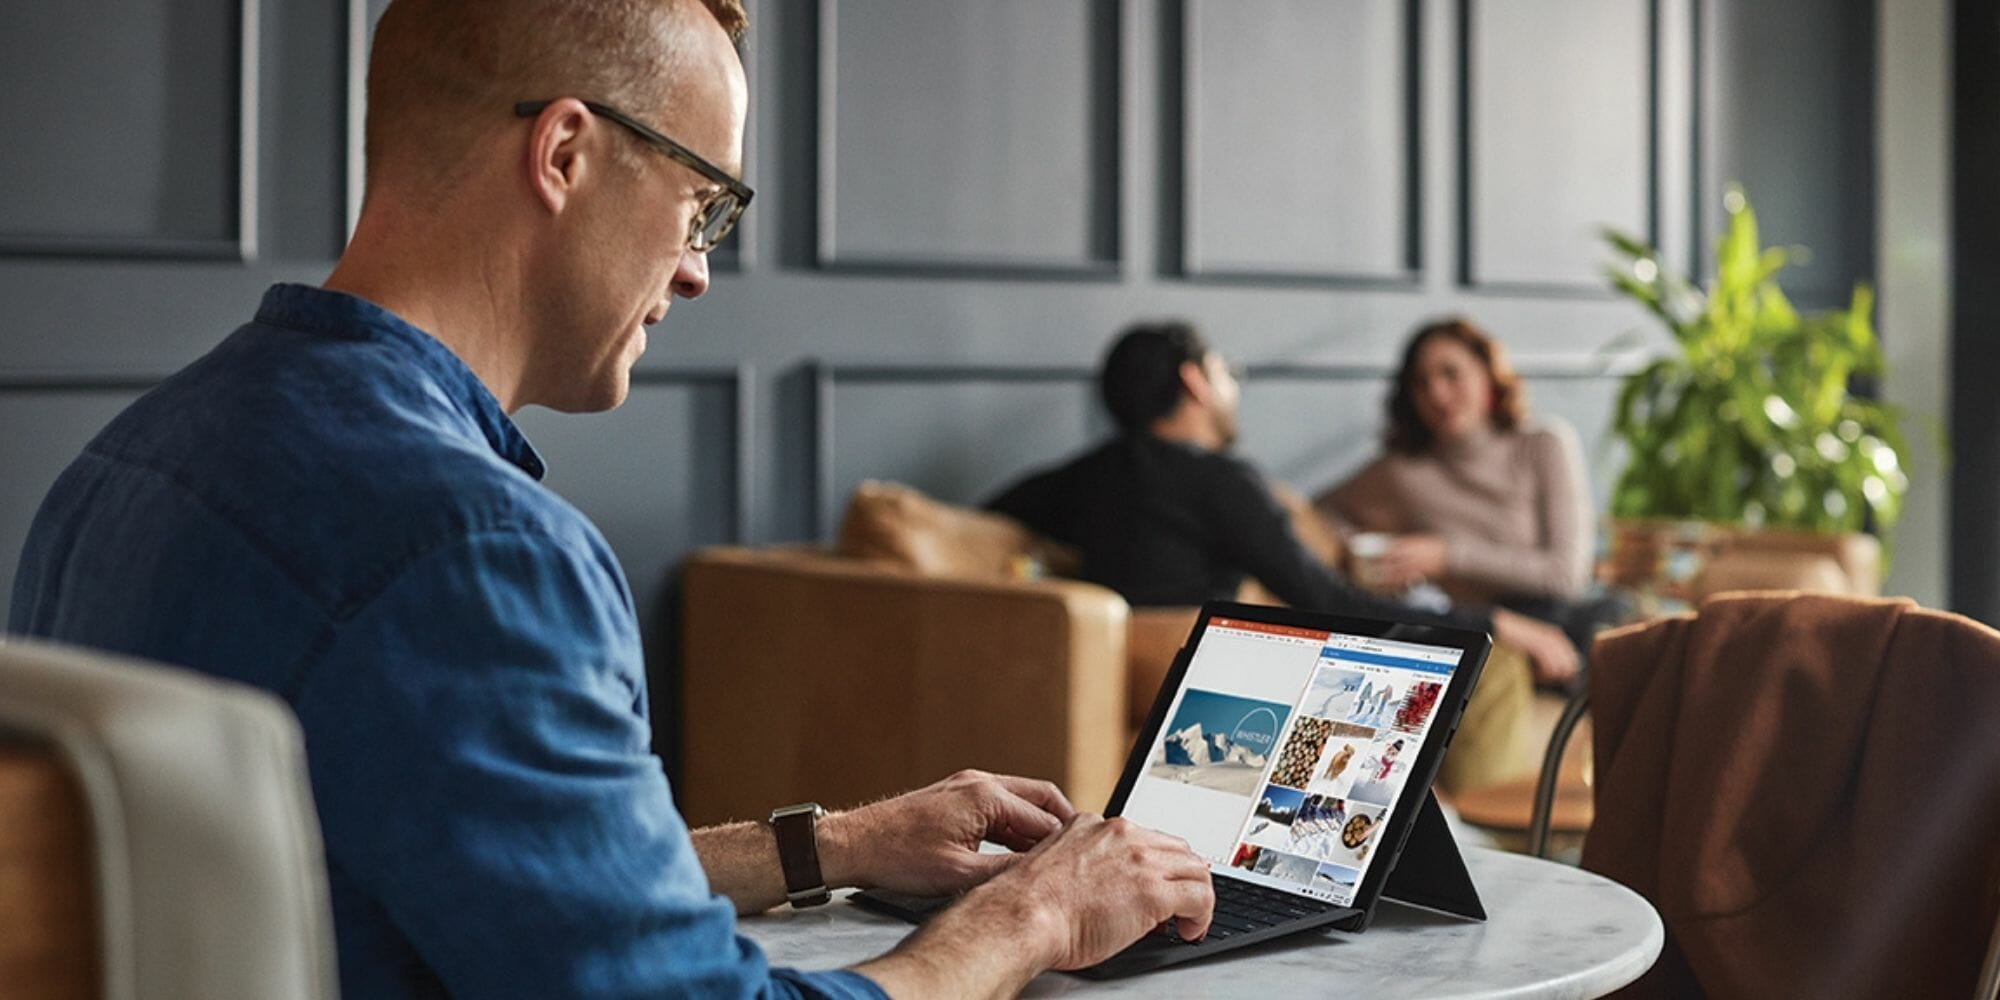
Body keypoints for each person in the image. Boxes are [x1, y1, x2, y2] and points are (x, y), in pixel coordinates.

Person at [6, 2, 1214, 997]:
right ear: (566, 153)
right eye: (703, 204)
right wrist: (1030, 917)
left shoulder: (132, 458)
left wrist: (828, 845)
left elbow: (446, 864)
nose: (695, 269)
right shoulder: (471, 552)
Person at [986, 321, 1580, 685]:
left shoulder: (1081, 478)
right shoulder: (1223, 482)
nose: (1231, 389)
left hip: (1091, 672)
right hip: (1203, 681)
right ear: (1195, 381)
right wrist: (1490, 624)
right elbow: (1330, 603)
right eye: (1224, 372)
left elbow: (986, 515)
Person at [1316, 318, 1613, 677]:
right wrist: (1366, 554)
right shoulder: (1400, 473)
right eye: (1421, 383)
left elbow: (1567, 575)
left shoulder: (1544, 444)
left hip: (1564, 618)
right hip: (1479, 635)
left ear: (1487, 375)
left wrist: (1446, 555)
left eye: (1450, 374)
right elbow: (1317, 514)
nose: (1437, 395)